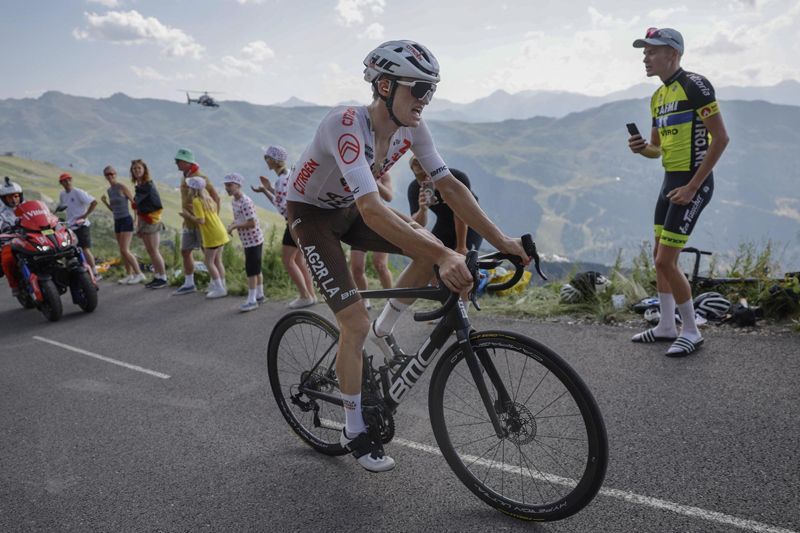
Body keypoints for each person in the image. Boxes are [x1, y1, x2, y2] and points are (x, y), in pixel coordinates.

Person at [284, 40, 529, 472]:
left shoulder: (412, 128)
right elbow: (373, 210)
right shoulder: (346, 124)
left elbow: (450, 187)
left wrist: (502, 239)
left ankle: (387, 325)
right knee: (353, 322)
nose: (425, 100)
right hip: (313, 217)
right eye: (418, 89)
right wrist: (444, 252)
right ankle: (353, 428)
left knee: (428, 249)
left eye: (431, 91)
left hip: (348, 207)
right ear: (384, 85)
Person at [628, 28, 730, 356]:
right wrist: (641, 147)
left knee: (666, 260)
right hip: (670, 182)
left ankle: (691, 330)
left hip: (693, 182)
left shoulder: (695, 85)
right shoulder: (658, 97)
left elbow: (721, 139)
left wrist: (692, 187)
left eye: (652, 51)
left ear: (672, 54)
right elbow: (656, 150)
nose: (645, 57)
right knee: (659, 259)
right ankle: (666, 326)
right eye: (644, 52)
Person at [251, 145, 316, 309]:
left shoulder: (280, 180)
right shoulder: (289, 175)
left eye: (267, 157)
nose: (265, 160)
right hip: (304, 220)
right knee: (300, 259)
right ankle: (311, 295)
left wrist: (266, 191)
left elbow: (281, 207)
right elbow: (285, 196)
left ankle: (304, 295)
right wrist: (268, 188)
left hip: (293, 222)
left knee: (288, 260)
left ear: (273, 160)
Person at [408, 158, 483, 255]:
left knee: (465, 259)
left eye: (428, 175)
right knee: (433, 255)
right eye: (421, 178)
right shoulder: (414, 188)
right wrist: (423, 210)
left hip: (470, 219)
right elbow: (417, 224)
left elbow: (460, 212)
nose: (426, 180)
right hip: (444, 221)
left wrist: (461, 246)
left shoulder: (456, 178)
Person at [173, 148, 220, 296]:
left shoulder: (201, 177)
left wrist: (213, 219)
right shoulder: (184, 177)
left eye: (179, 161)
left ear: (188, 162)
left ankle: (216, 284)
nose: (176, 164)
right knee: (185, 251)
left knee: (207, 254)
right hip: (188, 223)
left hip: (201, 223)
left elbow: (215, 197)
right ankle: (189, 283)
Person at [350, 170, 394, 310]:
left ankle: (391, 300)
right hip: (357, 224)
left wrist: (372, 180)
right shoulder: (351, 170)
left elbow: (388, 196)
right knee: (356, 268)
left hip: (378, 222)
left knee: (380, 264)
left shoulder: (383, 173)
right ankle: (365, 300)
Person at [181, 177, 229, 299]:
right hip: (220, 231)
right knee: (218, 260)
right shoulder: (208, 199)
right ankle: (222, 285)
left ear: (193, 188)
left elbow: (201, 220)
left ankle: (219, 288)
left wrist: (188, 215)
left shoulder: (197, 201)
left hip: (211, 234)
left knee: (208, 262)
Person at [224, 172, 265, 312]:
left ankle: (252, 300)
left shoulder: (245, 202)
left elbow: (251, 223)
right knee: (256, 268)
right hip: (248, 241)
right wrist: (232, 225)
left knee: (251, 270)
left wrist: (235, 226)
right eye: (226, 185)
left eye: (230, 185)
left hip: (253, 240)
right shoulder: (234, 201)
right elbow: (240, 219)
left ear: (238, 185)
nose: (227, 188)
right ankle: (260, 295)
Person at [100, 165, 144, 284]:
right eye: (107, 174)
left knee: (125, 249)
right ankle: (129, 275)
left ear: (115, 174)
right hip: (117, 221)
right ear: (105, 176)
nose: (110, 176)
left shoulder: (122, 187)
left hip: (126, 220)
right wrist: (104, 202)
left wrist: (136, 220)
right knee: (122, 250)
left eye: (112, 173)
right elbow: (113, 209)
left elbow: (134, 204)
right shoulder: (109, 191)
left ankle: (139, 274)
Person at [131, 159, 168, 289]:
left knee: (154, 250)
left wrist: (149, 219)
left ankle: (163, 277)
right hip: (144, 221)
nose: (137, 170)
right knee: (150, 251)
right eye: (134, 169)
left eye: (139, 168)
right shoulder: (139, 186)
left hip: (152, 221)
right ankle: (157, 276)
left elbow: (156, 205)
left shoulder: (148, 185)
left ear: (144, 170)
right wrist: (139, 225)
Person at [56, 173, 100, 279]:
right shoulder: (63, 195)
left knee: (84, 248)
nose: (67, 182)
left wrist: (85, 215)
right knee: (73, 250)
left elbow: (94, 202)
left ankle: (95, 272)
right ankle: (83, 271)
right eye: (64, 181)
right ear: (61, 183)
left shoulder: (78, 192)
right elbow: (62, 207)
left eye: (68, 180)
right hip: (71, 226)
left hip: (82, 224)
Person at [1, 177, 23, 296]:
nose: (14, 199)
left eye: (16, 196)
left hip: (29, 238)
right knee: (7, 259)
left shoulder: (27, 206)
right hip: (10, 241)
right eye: (10, 197)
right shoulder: (2, 213)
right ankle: (14, 285)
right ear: (4, 199)